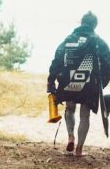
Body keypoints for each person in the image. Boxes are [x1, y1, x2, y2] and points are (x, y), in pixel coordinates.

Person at [47, 11, 110, 157]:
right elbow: (108, 64)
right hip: (88, 83)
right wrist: (101, 84)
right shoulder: (98, 42)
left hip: (68, 81)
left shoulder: (69, 39)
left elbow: (57, 60)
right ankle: (79, 148)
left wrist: (51, 80)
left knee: (70, 109)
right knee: (85, 116)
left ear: (81, 22)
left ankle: (71, 136)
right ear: (95, 25)